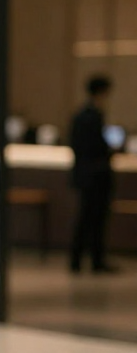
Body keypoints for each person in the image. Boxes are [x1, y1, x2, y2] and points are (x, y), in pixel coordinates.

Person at [69, 75, 117, 274]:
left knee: (87, 219)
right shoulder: (93, 116)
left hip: (85, 175)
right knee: (93, 219)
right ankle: (93, 260)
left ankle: (79, 260)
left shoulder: (82, 114)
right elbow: (94, 147)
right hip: (95, 176)